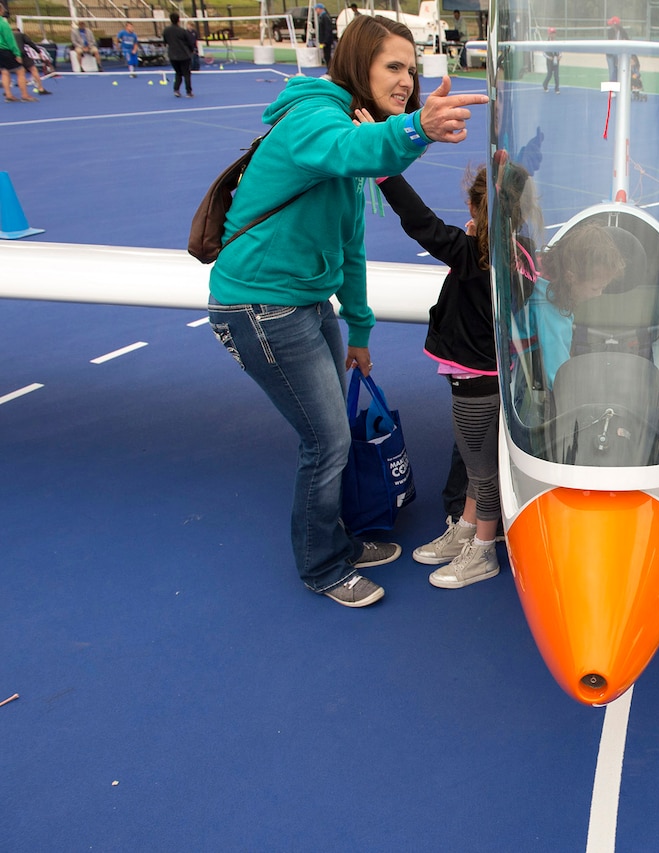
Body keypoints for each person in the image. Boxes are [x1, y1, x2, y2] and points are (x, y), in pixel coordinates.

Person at [205, 14, 488, 607]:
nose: (408, 80)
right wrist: (419, 128)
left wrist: (358, 325)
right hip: (259, 304)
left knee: (329, 435)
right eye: (394, 67)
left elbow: (350, 242)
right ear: (358, 65)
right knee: (326, 441)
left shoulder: (347, 134)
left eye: (412, 69)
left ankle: (336, 539)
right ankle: (323, 565)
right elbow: (354, 148)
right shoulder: (313, 118)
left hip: (303, 302)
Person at [376, 162, 530, 588]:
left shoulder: (469, 254)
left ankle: (483, 549)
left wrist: (386, 174)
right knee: (473, 457)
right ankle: (466, 526)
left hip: (475, 381)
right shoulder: (520, 252)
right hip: (493, 373)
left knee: (480, 467)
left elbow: (419, 220)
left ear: (473, 206)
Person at [516, 223, 626, 391]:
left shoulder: (538, 262)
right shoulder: (552, 310)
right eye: (596, 288)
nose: (599, 294)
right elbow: (559, 377)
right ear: (571, 277)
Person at [0, 4, 33, 101]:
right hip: (5, 50)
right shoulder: (3, 23)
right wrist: (17, 53)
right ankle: (25, 95)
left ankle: (9, 95)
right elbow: (10, 40)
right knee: (20, 70)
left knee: (5, 72)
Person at [162, 11, 196, 98]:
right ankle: (189, 92)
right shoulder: (182, 31)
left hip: (172, 56)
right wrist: (192, 50)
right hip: (184, 55)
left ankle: (176, 90)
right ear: (178, 20)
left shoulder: (166, 30)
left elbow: (165, 41)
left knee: (178, 73)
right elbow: (189, 43)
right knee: (186, 73)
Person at [15, 27, 52, 94]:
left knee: (10, 72)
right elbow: (30, 43)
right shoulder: (21, 35)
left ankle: (8, 92)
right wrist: (38, 51)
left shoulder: (6, 36)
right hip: (21, 54)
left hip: (10, 55)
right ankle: (40, 88)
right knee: (33, 69)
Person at [606, 15, 628, 83]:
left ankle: (619, 86)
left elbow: (626, 40)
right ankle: (612, 90)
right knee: (612, 71)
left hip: (619, 54)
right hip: (610, 54)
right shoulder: (610, 31)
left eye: (612, 24)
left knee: (619, 70)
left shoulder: (622, 32)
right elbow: (611, 42)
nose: (611, 25)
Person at [542, 27, 560, 93]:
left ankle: (557, 88)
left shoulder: (557, 42)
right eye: (551, 33)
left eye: (554, 33)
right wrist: (549, 57)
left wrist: (560, 56)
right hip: (549, 61)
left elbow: (560, 51)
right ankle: (545, 85)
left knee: (556, 75)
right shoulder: (546, 43)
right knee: (549, 74)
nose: (553, 35)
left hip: (556, 60)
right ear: (549, 34)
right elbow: (543, 53)